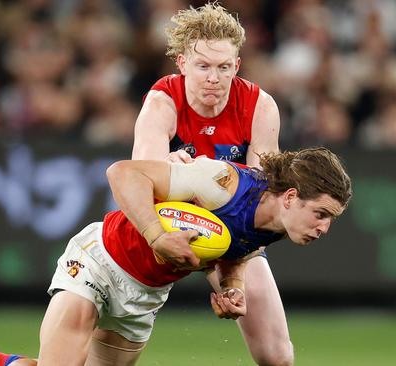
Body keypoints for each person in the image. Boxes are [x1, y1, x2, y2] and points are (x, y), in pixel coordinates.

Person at [0, 147, 352, 366]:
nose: (323, 228)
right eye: (320, 214)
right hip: (98, 262)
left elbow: (234, 252)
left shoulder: (279, 225)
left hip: (144, 296)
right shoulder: (222, 182)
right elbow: (122, 173)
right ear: (289, 197)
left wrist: (231, 286)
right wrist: (156, 236)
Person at [131, 3, 293, 365]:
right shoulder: (162, 102)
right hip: (163, 228)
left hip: (229, 232)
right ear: (182, 63)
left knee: (277, 356)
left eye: (223, 68)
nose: (213, 79)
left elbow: (260, 196)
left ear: (237, 65)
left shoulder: (260, 106)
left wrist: (231, 276)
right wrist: (167, 168)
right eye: (203, 66)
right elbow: (140, 177)